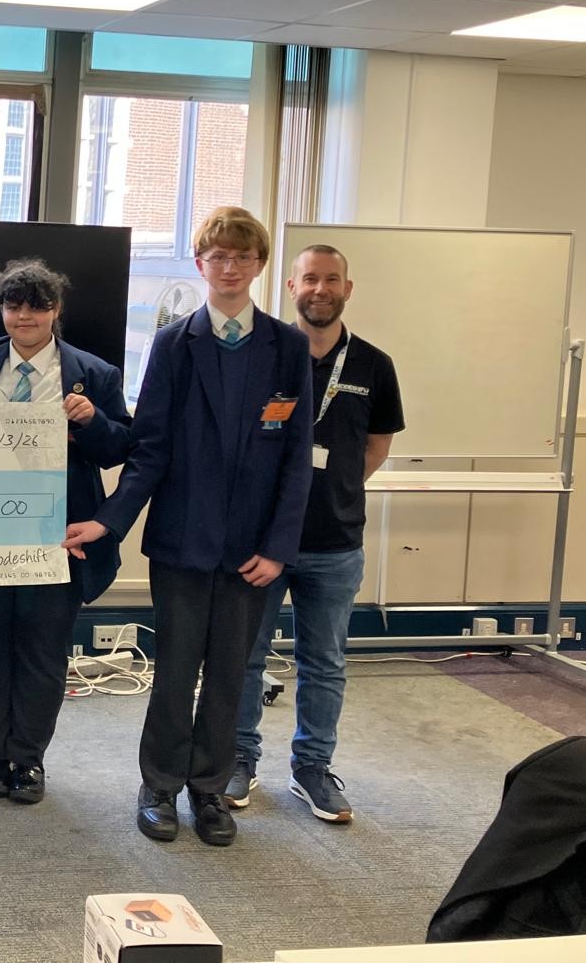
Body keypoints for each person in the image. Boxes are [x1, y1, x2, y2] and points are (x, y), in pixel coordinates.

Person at [67, 207, 312, 848]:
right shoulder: (175, 344)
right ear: (200, 265)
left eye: (242, 257)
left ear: (259, 264)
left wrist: (279, 548)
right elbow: (150, 452)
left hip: (252, 553)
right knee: (174, 671)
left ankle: (209, 791)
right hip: (182, 543)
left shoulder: (287, 347)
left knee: (232, 673)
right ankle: (158, 787)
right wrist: (106, 521)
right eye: (217, 257)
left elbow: (296, 458)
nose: (229, 268)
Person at [0, 259, 132, 804]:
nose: (24, 315)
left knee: (43, 647)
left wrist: (92, 420)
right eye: (13, 304)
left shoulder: (93, 373)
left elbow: (121, 447)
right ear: (2, 309)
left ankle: (27, 758)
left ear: (56, 310)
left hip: (59, 534)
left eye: (37, 305)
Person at [227, 244, 403, 824]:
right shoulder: (267, 355)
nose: (319, 289)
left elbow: (377, 445)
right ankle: (237, 760)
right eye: (309, 279)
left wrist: (334, 489)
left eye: (331, 280)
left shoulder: (374, 364)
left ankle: (312, 769)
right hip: (260, 541)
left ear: (347, 288)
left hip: (335, 543)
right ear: (290, 287)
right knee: (245, 657)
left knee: (324, 662)